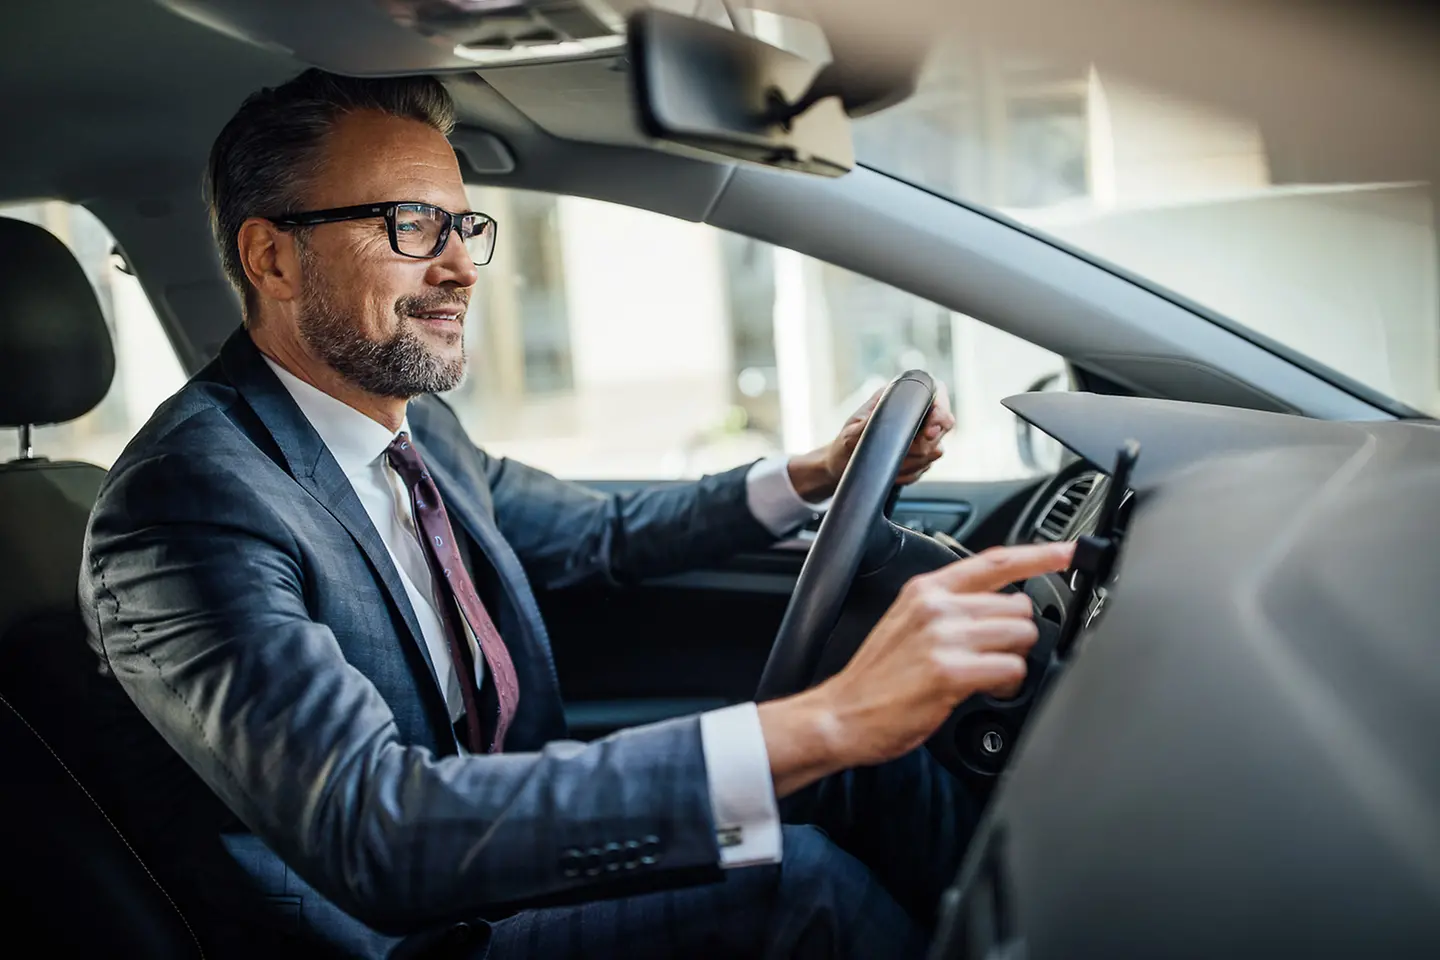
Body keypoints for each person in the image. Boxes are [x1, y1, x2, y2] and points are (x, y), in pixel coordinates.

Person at [79, 68, 1074, 959]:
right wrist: (826, 718)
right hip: (413, 929)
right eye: (409, 225)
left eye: (464, 226)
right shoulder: (185, 504)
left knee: (870, 772)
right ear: (273, 259)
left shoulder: (407, 435)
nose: (464, 266)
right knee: (798, 876)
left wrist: (816, 473)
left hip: (500, 846)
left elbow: (599, 532)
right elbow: (371, 829)